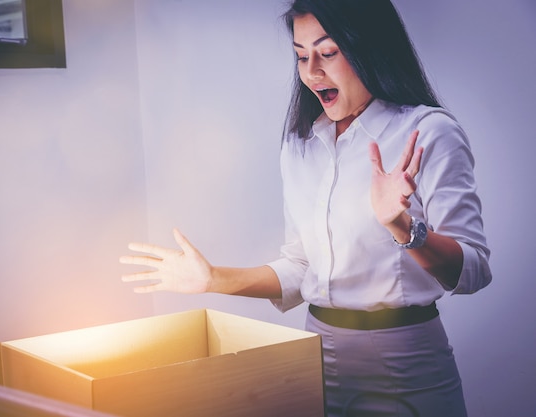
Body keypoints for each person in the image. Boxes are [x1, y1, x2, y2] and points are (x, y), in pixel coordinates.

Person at [120, 1, 492, 416]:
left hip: (406, 361)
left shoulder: (428, 132)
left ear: (369, 49)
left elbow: (473, 270)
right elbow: (301, 268)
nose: (312, 70)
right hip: (318, 356)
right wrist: (212, 279)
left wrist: (403, 227)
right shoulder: (300, 145)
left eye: (327, 53)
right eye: (301, 55)